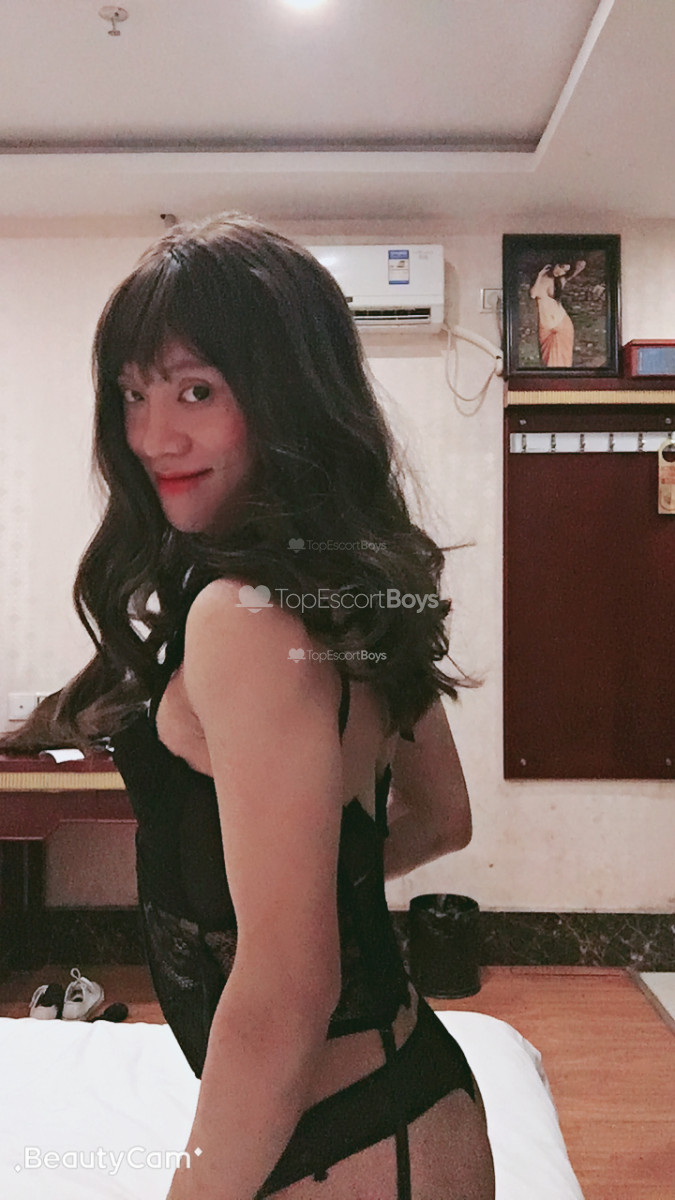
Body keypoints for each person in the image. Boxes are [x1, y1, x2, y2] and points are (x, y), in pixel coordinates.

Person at [0, 214, 495, 1199]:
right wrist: (296, 892)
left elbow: (286, 993)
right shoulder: (343, 591)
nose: (153, 436)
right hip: (407, 1104)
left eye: (196, 391)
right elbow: (442, 817)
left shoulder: (242, 619)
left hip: (339, 1146)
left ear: (287, 396)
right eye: (133, 393)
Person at [529, 259, 586, 367]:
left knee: (564, 359)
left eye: (565, 271)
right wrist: (540, 275)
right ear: (555, 264)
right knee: (548, 359)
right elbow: (533, 295)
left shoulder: (560, 281)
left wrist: (572, 265)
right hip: (547, 323)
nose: (561, 272)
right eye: (561, 268)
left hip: (562, 321)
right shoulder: (540, 278)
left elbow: (581, 264)